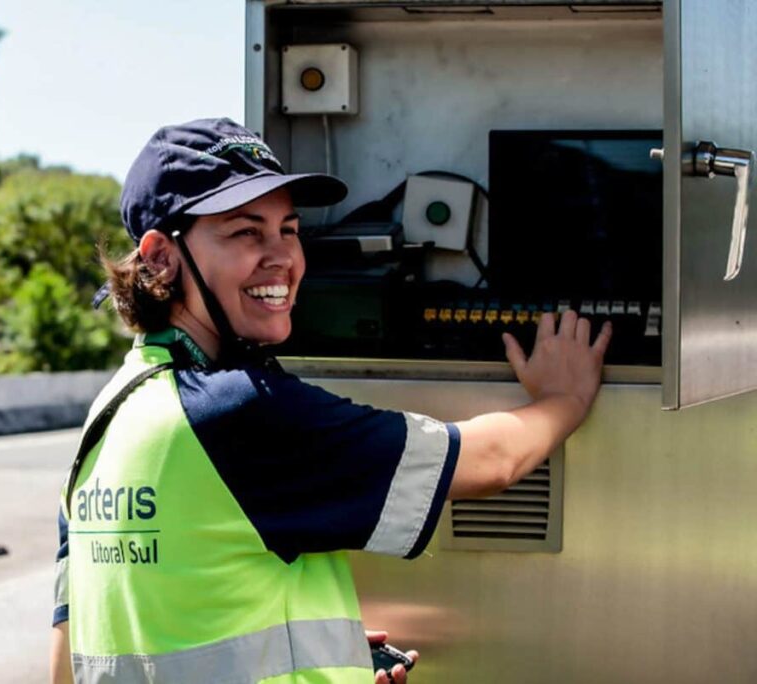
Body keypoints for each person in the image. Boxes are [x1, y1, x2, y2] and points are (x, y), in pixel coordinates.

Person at [49, 118, 612, 684]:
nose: (282, 258)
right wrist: (564, 397)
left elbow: (70, 658)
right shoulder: (238, 413)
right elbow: (490, 462)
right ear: (161, 256)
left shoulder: (108, 419)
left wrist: (320, 656)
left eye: (289, 230)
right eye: (246, 232)